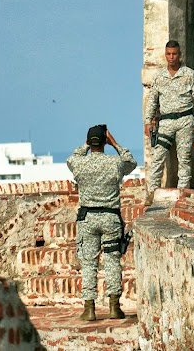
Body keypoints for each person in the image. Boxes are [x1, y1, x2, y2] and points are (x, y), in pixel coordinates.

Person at [67, 125, 137, 321]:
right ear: (105, 142)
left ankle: (89, 309)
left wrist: (86, 145)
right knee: (112, 261)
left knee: (89, 263)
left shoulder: (79, 164)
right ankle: (115, 307)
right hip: (111, 217)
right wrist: (114, 144)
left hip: (87, 219)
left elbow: (71, 159)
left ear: (89, 143)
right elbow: (131, 162)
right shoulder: (115, 163)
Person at [144, 40, 194, 205]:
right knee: (158, 157)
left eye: (174, 54)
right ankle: (151, 194)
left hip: (185, 120)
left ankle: (182, 193)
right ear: (166, 55)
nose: (171, 57)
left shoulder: (189, 74)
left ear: (180, 55)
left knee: (184, 158)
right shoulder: (159, 76)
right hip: (165, 122)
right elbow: (152, 100)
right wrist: (148, 121)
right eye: (169, 54)